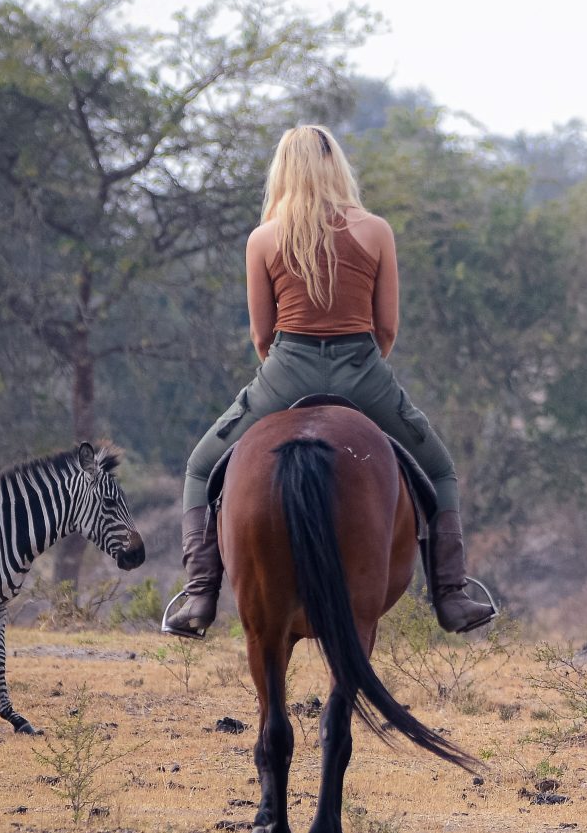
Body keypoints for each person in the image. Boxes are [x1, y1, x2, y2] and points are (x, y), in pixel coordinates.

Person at [165, 124, 496, 637]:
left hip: (285, 370)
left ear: (283, 171)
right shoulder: (375, 230)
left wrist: (286, 371)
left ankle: (200, 595)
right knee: (440, 470)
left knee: (200, 466)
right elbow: (386, 328)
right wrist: (361, 371)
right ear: (336, 165)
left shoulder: (264, 238)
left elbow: (261, 333)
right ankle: (451, 594)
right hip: (362, 370)